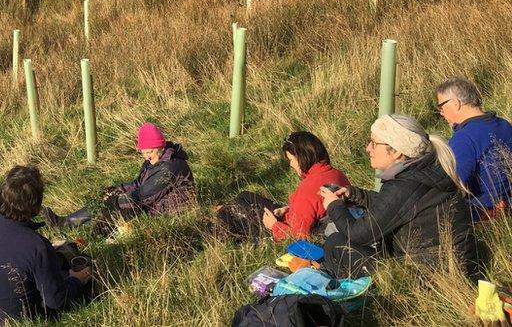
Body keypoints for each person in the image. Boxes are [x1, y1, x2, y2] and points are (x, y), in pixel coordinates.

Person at [319, 114, 475, 279]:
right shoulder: (425, 171)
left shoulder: (405, 184)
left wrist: (334, 206)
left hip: (427, 277)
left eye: (374, 143)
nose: (368, 148)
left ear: (396, 151)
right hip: (452, 267)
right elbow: (393, 206)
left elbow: (359, 234)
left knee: (335, 243)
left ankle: (347, 292)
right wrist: (354, 194)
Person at [0, 165, 93, 327]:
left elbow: (9, 252)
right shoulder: (38, 246)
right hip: (15, 321)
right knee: (74, 273)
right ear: (37, 206)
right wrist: (76, 280)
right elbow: (55, 300)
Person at [42, 123, 194, 233]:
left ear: (160, 146)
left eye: (150, 151)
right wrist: (116, 190)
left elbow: (143, 196)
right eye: (143, 152)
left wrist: (115, 201)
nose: (147, 156)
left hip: (166, 213)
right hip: (153, 205)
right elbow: (139, 184)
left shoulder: (170, 167)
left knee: (112, 212)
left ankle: (68, 227)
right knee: (106, 204)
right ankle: (66, 224)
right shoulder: (154, 161)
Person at [215, 131, 350, 242]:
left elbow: (299, 236)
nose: (291, 165)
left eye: (291, 160)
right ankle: (227, 215)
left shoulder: (307, 189)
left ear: (302, 157)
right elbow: (317, 209)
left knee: (227, 213)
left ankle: (239, 239)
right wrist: (289, 209)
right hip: (302, 219)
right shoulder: (336, 174)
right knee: (245, 196)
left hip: (285, 231)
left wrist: (274, 226)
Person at [435, 77, 512, 219]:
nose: (441, 113)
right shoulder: (504, 125)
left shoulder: (464, 138)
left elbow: (452, 185)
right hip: (506, 208)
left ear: (455, 103)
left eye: (441, 107)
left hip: (481, 214)